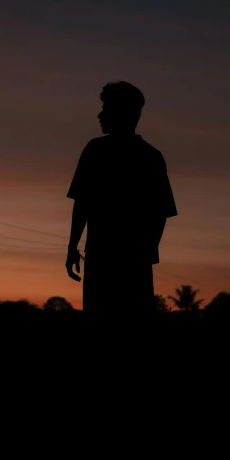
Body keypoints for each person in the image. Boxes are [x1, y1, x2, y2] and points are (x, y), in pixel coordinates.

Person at [65, 81, 177, 316]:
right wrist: (145, 254)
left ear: (124, 113)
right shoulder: (150, 156)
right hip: (122, 261)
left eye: (106, 109)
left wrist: (73, 246)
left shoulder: (97, 151)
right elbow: (161, 213)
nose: (100, 115)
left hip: (109, 261)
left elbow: (82, 202)